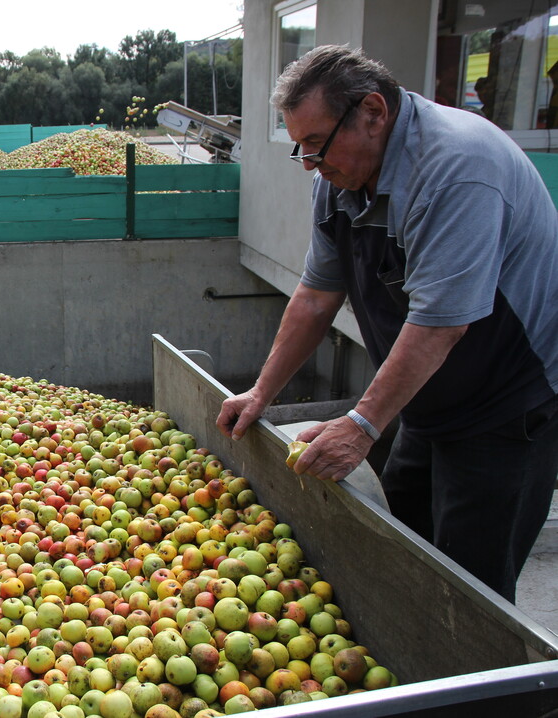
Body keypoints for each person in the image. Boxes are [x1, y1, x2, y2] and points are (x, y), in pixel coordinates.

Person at [217, 45, 558, 603]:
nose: (308, 163)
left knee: (473, 588)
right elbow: (315, 295)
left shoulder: (457, 171)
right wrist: (262, 392)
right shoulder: (339, 176)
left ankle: (481, 689)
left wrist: (362, 426)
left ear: (373, 112)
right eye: (298, 148)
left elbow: (440, 324)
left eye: (316, 144)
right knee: (409, 540)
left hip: (506, 404)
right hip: (427, 395)